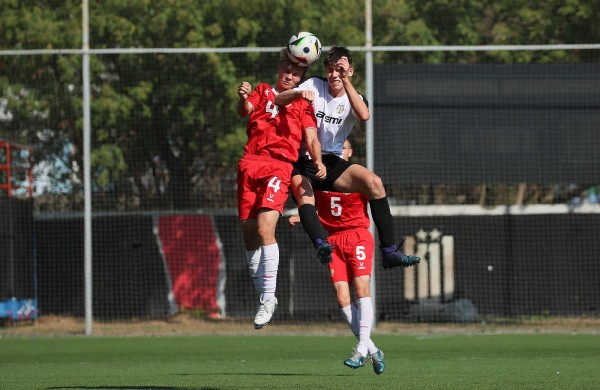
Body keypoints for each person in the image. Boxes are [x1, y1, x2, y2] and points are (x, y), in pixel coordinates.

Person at [275, 46, 419, 269]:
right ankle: (321, 245)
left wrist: (346, 81)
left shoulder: (355, 98)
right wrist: (296, 92)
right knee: (304, 195)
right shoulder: (314, 84)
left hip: (331, 161)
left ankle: (389, 252)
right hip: (301, 159)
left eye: (340, 70)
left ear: (350, 71)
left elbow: (364, 115)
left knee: (374, 183)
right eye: (330, 70)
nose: (334, 75)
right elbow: (279, 99)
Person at [236, 49, 327, 329]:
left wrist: (318, 160)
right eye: (287, 70)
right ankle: (265, 295)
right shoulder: (263, 91)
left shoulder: (302, 104)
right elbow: (245, 111)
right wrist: (241, 98)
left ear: (301, 77)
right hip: (250, 164)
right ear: (279, 70)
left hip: (278, 166)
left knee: (265, 229)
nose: (290, 75)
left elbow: (311, 138)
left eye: (296, 73)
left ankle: (268, 297)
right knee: (250, 235)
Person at [289, 139, 386, 374]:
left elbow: (376, 197)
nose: (337, 150)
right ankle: (372, 349)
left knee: (361, 289)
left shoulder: (355, 177)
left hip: (358, 236)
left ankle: (362, 348)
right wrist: (304, 216)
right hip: (333, 240)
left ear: (350, 152)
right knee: (342, 298)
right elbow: (314, 206)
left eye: (342, 147)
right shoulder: (319, 177)